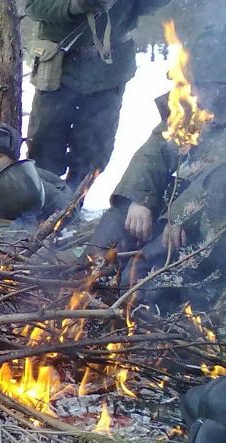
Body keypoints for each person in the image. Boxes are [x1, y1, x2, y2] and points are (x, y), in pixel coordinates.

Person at [87, 26, 226, 311]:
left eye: (204, 85)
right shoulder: (192, 109)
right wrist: (141, 198)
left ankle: (138, 310)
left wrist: (181, 214)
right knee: (115, 229)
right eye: (192, 84)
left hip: (209, 225)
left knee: (143, 279)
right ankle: (87, 286)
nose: (194, 94)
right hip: (175, 212)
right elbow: (154, 151)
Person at [21, 0, 173, 189]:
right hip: (59, 66)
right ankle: (41, 209)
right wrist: (74, 1)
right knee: (44, 146)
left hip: (108, 70)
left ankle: (71, 209)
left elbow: (151, 4)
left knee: (93, 151)